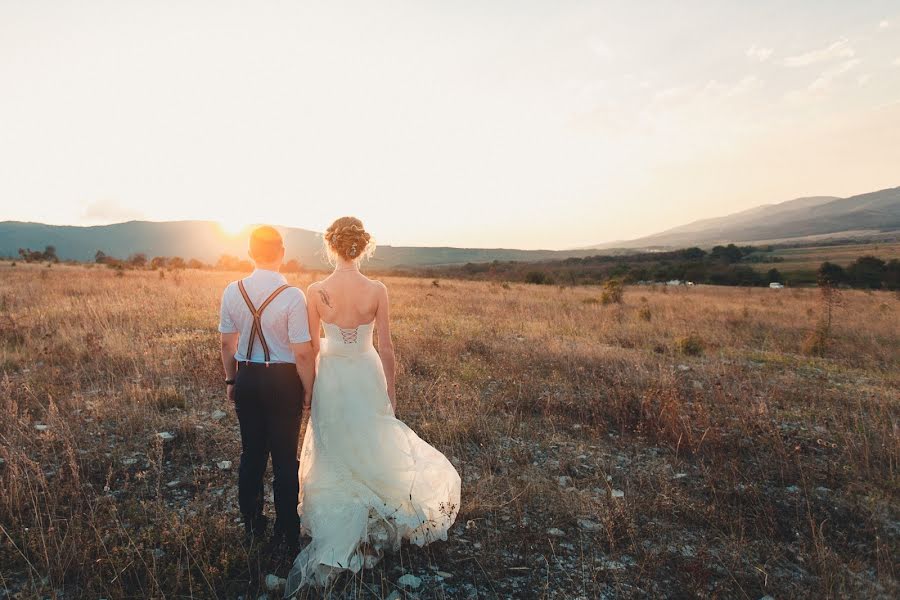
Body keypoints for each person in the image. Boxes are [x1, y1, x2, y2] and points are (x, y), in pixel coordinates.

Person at [285, 217, 461, 594]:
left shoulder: (316, 290)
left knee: (334, 443)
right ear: (362, 247)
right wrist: (390, 394)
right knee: (371, 436)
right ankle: (372, 511)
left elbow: (313, 348)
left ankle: (340, 518)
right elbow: (386, 348)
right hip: (365, 371)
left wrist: (309, 391)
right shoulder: (377, 289)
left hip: (330, 372)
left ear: (331, 247)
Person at [218, 226, 315, 552]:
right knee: (286, 458)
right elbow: (302, 352)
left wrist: (232, 380)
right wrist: (308, 389)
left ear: (250, 252)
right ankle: (287, 531)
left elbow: (226, 344)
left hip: (247, 377)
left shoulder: (232, 290)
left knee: (252, 454)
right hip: (283, 379)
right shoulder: (292, 295)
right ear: (282, 252)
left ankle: (252, 525)